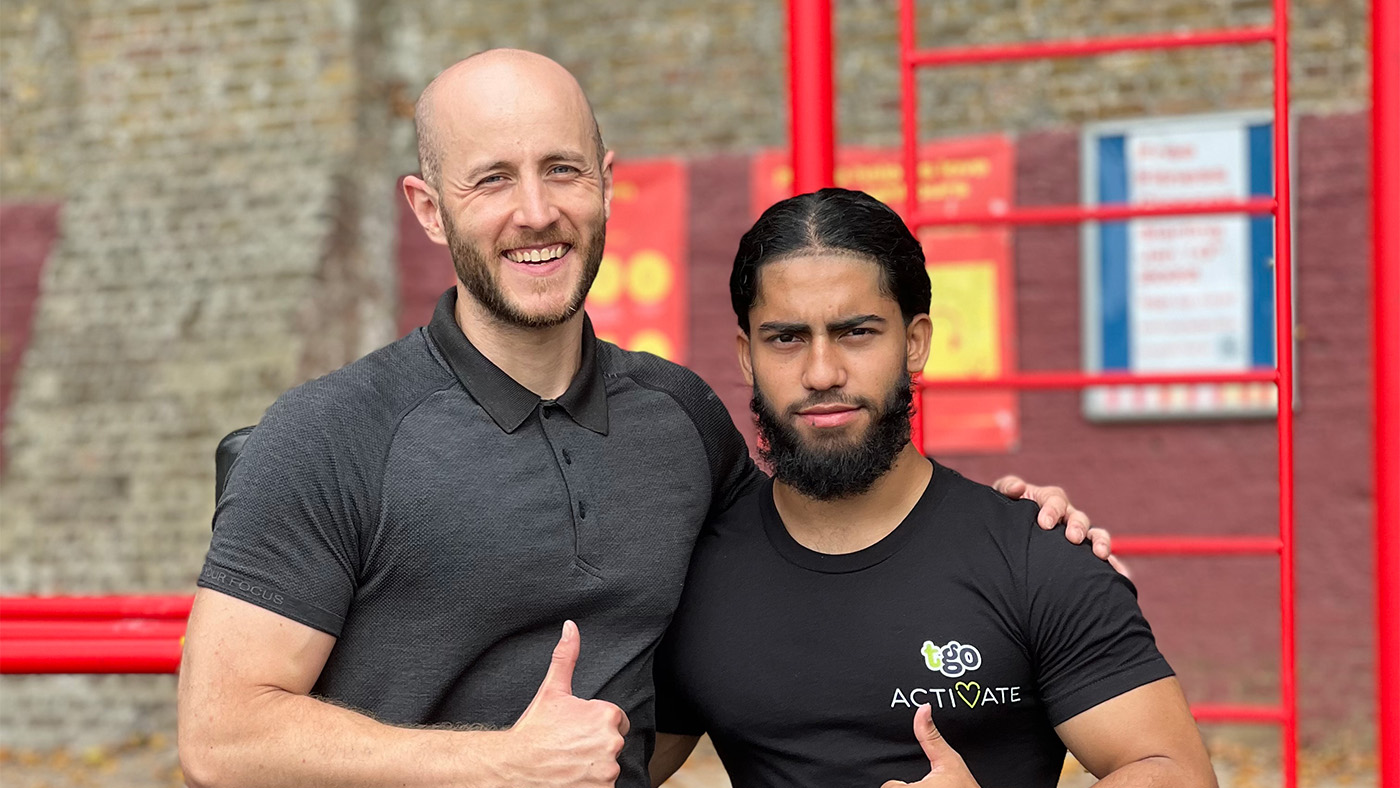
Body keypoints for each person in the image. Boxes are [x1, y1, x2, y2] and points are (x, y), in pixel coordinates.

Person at [177, 51, 1114, 788]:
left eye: (562, 170)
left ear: (607, 181)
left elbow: (812, 537)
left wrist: (1020, 532)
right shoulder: (329, 434)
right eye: (492, 180)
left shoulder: (681, 420)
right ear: (429, 209)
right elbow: (220, 738)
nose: (536, 213)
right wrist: (500, 765)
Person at [649, 188, 1217, 788]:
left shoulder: (1036, 557)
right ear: (747, 357)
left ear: (914, 343)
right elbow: (608, 768)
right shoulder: (699, 571)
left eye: (857, 333)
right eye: (786, 338)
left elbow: (1176, 773)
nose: (821, 373)